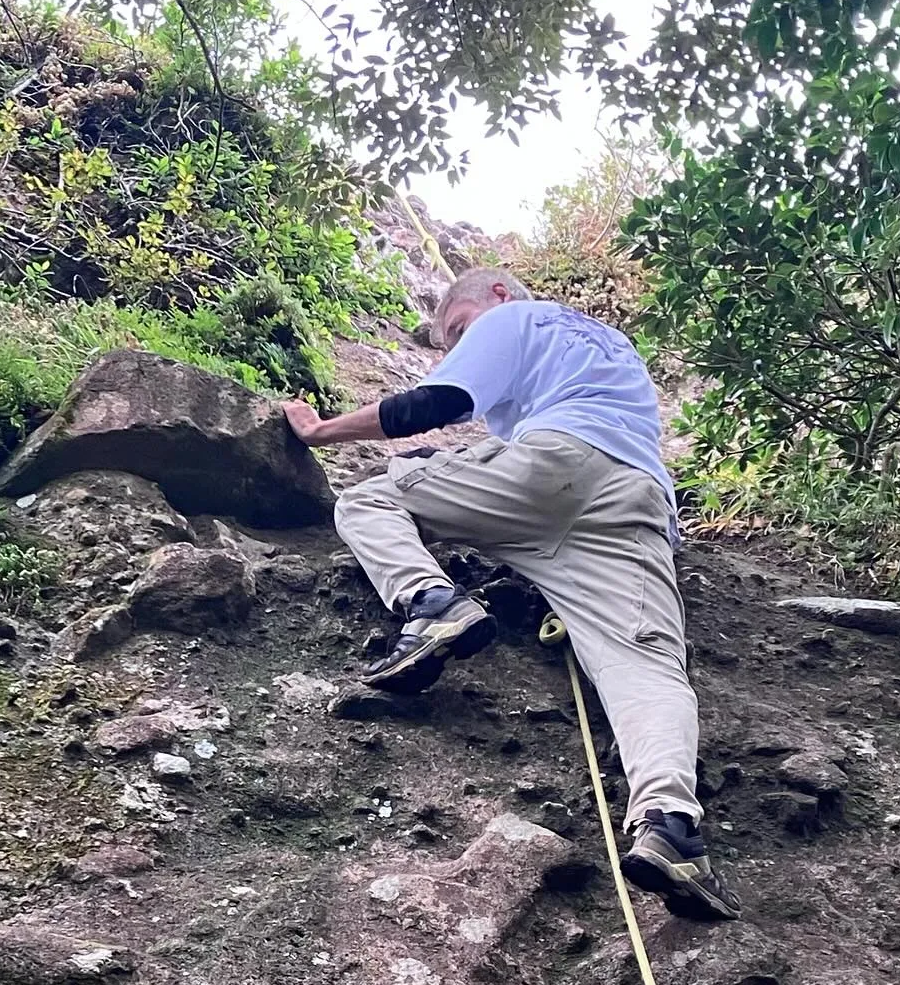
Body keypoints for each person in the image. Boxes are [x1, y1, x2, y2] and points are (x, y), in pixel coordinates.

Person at [281, 267, 738, 923]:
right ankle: (671, 828)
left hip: (553, 469)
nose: (459, 343)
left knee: (371, 496)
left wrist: (319, 430)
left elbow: (431, 406)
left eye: (457, 329)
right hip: (636, 501)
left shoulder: (512, 318)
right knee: (646, 667)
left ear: (497, 295)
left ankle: (431, 604)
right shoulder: (615, 349)